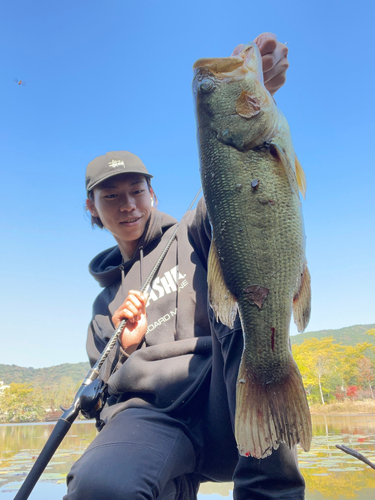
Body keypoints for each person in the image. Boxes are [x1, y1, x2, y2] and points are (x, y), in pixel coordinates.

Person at [65, 33, 305, 500]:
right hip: (153, 421)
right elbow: (103, 393)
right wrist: (125, 348)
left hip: (226, 399)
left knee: (244, 316)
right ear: (93, 209)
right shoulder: (102, 310)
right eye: (111, 196)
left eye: (136, 190)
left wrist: (258, 95)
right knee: (99, 487)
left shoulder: (192, 231)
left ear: (152, 194)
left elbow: (236, 197)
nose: (127, 204)